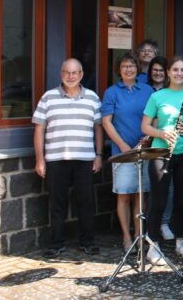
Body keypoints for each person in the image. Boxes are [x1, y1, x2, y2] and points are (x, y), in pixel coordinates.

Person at [32, 58, 103, 258]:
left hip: (84, 159)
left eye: (75, 73)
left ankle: (87, 242)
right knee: (57, 203)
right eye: (67, 72)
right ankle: (56, 243)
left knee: (86, 202)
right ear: (61, 74)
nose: (70, 77)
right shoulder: (48, 97)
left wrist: (98, 155)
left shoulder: (92, 98)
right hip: (56, 159)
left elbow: (98, 128)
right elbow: (39, 129)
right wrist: (40, 159)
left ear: (81, 75)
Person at [141, 56, 183, 264]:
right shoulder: (157, 96)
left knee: (182, 201)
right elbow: (145, 127)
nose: (179, 73)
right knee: (158, 200)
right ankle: (153, 245)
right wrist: (161, 134)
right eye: (175, 70)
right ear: (168, 72)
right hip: (161, 153)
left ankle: (180, 241)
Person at [101, 53, 155, 253]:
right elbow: (106, 121)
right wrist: (122, 145)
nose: (128, 69)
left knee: (141, 195)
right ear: (119, 70)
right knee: (124, 195)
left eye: (132, 66)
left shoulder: (147, 90)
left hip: (144, 152)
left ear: (137, 68)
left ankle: (139, 236)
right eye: (124, 66)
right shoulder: (112, 92)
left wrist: (149, 138)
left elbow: (153, 118)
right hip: (122, 152)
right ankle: (126, 237)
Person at [145, 55, 175, 240]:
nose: (158, 73)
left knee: (168, 187)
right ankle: (149, 228)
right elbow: (147, 120)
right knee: (151, 188)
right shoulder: (147, 91)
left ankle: (164, 223)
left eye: (161, 70)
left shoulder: (173, 92)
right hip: (150, 144)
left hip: (167, 145)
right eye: (154, 70)